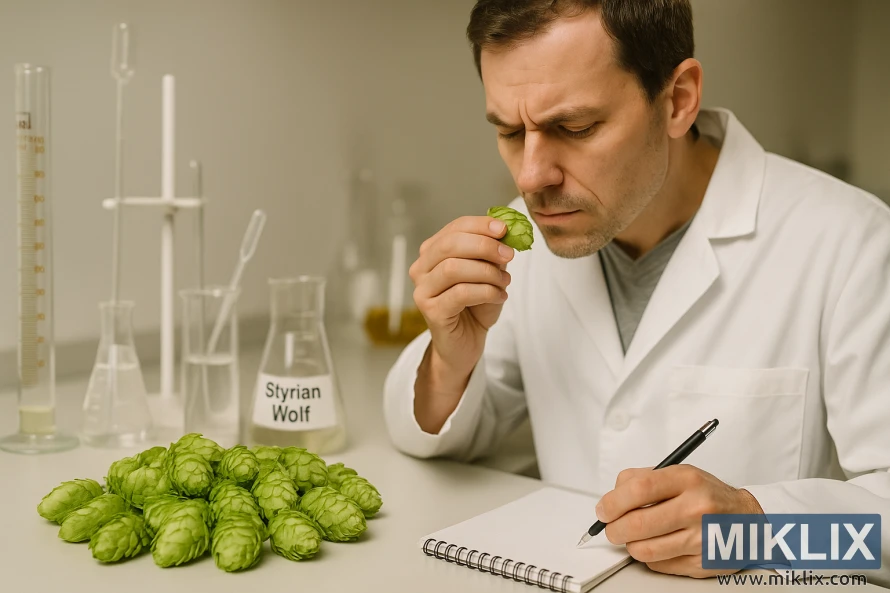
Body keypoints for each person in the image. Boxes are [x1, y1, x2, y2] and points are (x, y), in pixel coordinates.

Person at [382, 0, 890, 582]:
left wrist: (757, 528)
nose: (530, 176)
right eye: (508, 130)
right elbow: (428, 435)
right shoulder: (526, 245)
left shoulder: (851, 243)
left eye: (574, 128)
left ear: (678, 99)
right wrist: (449, 358)